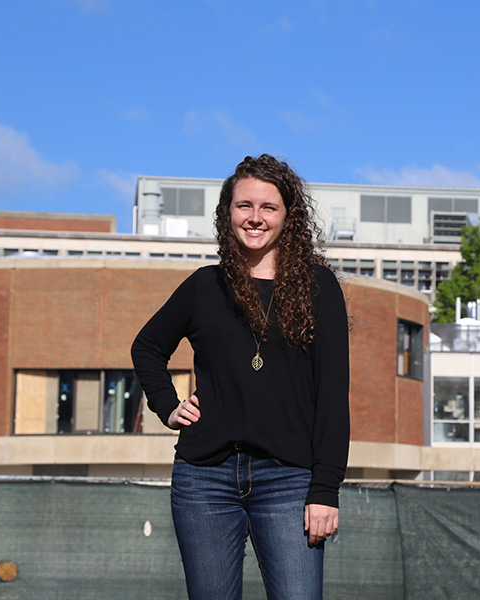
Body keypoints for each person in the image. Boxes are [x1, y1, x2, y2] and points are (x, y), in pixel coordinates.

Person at [131, 154, 350, 600]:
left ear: (289, 216)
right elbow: (147, 347)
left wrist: (325, 488)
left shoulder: (318, 287)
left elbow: (332, 395)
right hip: (203, 480)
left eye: (268, 207)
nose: (255, 217)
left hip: (290, 481)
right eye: (243, 205)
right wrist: (168, 406)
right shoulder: (203, 286)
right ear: (226, 213)